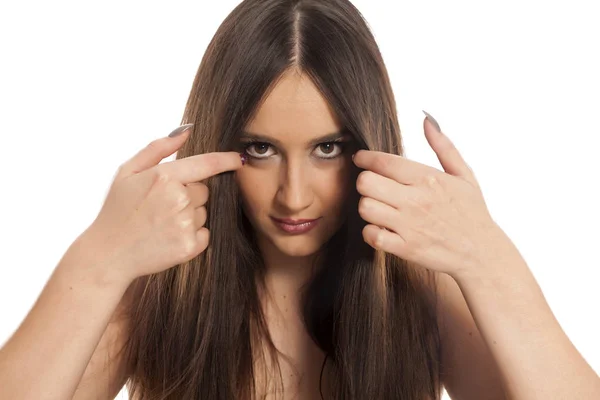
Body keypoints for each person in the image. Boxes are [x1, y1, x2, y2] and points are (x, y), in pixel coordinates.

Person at [1, 0, 599, 399]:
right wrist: (98, 257)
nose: (292, 195)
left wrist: (488, 258)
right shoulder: (161, 293)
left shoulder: (414, 292)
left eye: (328, 149)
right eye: (259, 148)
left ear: (369, 143)